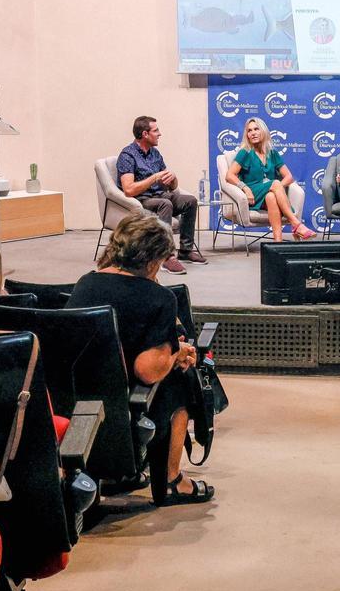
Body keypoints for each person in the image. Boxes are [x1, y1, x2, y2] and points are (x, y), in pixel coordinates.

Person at [66, 212, 214, 505]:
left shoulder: (86, 284)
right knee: (182, 379)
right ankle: (172, 480)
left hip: (73, 401)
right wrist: (177, 354)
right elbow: (146, 370)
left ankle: (120, 474)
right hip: (123, 405)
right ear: (154, 260)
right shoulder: (158, 298)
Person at [116, 115, 206, 275]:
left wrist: (172, 179)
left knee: (190, 201)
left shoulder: (154, 154)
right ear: (145, 134)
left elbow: (172, 186)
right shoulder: (127, 155)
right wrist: (153, 178)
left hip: (161, 195)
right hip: (141, 200)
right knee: (166, 204)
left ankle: (185, 251)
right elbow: (128, 189)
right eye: (156, 130)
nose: (160, 134)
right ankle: (165, 256)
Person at [227, 117, 316, 242]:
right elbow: (229, 175)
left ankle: (277, 243)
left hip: (267, 194)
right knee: (275, 183)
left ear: (263, 131)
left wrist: (276, 188)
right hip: (253, 193)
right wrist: (245, 188)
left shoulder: (272, 153)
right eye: (249, 130)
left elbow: (289, 177)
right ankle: (296, 223)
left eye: (256, 129)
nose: (253, 133)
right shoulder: (245, 152)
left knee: (271, 196)